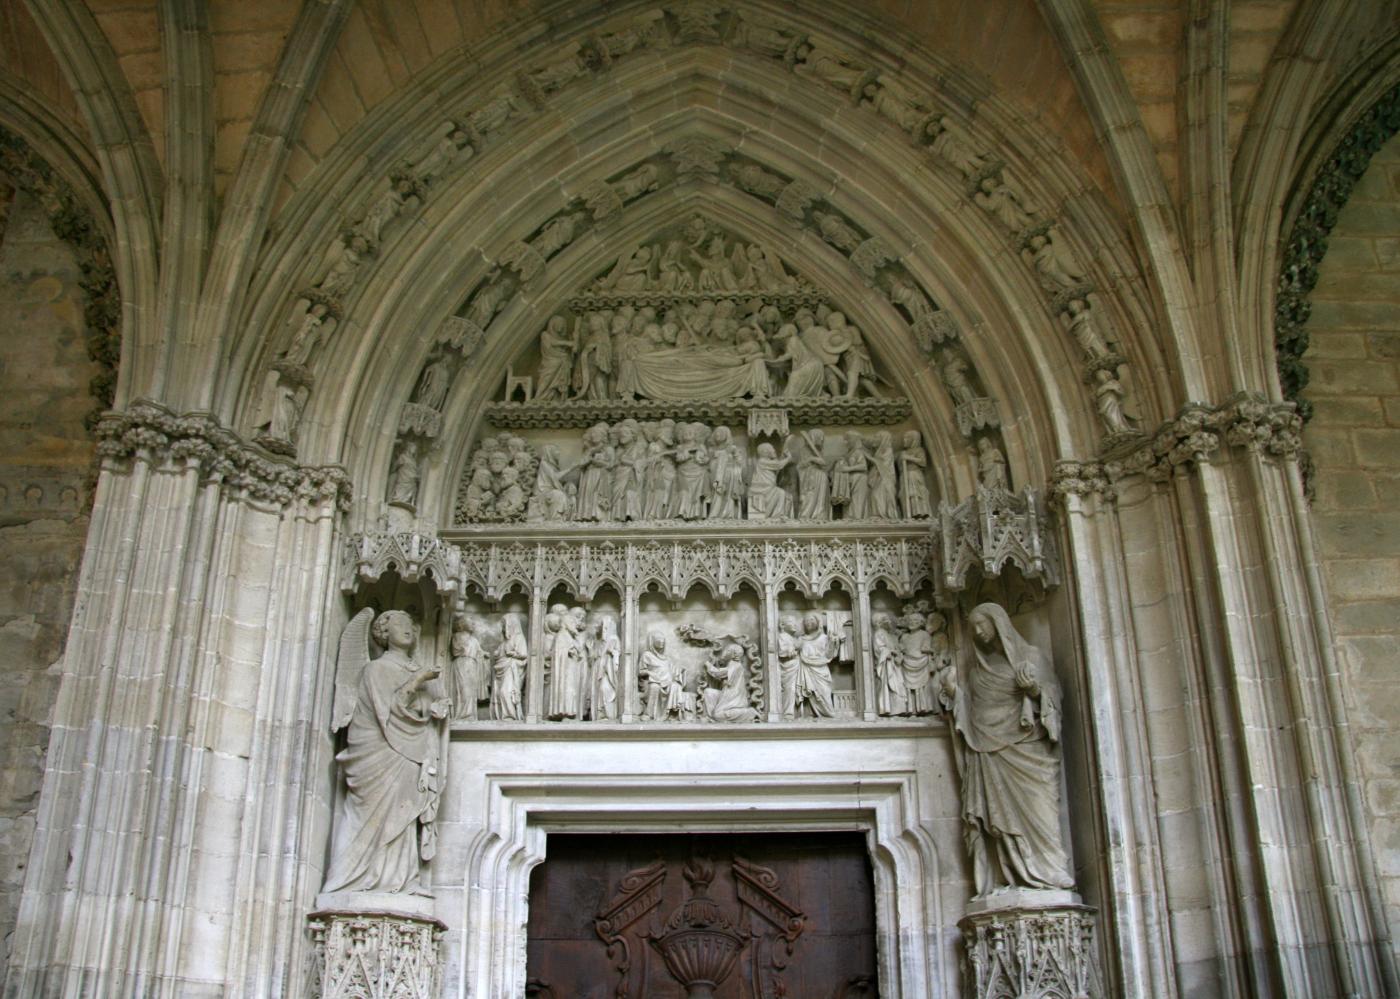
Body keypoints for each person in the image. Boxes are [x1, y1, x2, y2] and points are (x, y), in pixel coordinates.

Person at [941, 603, 1075, 894]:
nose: (977, 632)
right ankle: (1012, 876)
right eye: (973, 627)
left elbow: (1054, 702)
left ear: (999, 623)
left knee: (1040, 812)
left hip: (1029, 753)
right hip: (991, 756)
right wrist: (956, 695)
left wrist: (1034, 691)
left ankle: (1050, 873)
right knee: (999, 821)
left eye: (982, 624)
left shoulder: (1030, 660)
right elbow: (975, 722)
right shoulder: (978, 675)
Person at [324, 610, 449, 894]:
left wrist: (433, 709)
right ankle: (353, 880)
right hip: (379, 751)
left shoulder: (414, 670)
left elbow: (411, 711)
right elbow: (387, 712)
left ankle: (402, 879)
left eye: (411, 623)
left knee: (403, 816)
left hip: (407, 750)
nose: (408, 628)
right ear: (382, 631)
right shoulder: (376, 669)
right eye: (399, 623)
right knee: (373, 814)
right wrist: (418, 681)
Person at [794, 613, 836, 718]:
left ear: (818, 622)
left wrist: (832, 643)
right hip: (806, 669)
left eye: (811, 620)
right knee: (811, 693)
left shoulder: (825, 638)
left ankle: (829, 714)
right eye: (806, 621)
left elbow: (829, 655)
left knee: (825, 693)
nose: (809, 623)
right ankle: (811, 713)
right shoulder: (801, 639)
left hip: (821, 670)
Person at [702, 644, 758, 722]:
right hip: (727, 694)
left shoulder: (735, 665)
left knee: (718, 715)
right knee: (708, 692)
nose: (724, 652)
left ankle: (748, 713)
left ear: (734, 654)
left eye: (728, 650)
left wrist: (708, 665)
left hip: (734, 698)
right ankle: (711, 718)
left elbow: (718, 673)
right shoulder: (731, 665)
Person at [639, 630, 683, 720]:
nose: (661, 641)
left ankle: (672, 714)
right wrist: (650, 673)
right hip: (652, 682)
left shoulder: (667, 659)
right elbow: (640, 672)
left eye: (663, 639)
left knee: (676, 686)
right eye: (658, 639)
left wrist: (679, 672)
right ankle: (648, 714)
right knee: (654, 687)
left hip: (667, 683)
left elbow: (672, 672)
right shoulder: (647, 655)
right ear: (652, 641)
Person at [448, 615, 485, 721]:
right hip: (462, 663)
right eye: (471, 622)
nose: (473, 624)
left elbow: (479, 652)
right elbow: (455, 650)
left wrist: (483, 654)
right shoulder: (457, 636)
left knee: (472, 690)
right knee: (464, 689)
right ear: (462, 624)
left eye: (473, 623)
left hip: (472, 665)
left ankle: (470, 714)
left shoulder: (474, 640)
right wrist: (464, 649)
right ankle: (462, 715)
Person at [491, 615, 527, 721]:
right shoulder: (505, 641)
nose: (502, 627)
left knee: (505, 691)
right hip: (502, 669)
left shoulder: (519, 638)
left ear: (510, 624)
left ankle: (510, 715)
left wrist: (512, 654)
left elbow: (524, 654)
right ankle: (502, 715)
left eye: (504, 624)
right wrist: (497, 654)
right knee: (499, 693)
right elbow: (500, 653)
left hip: (511, 668)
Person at [589, 615, 621, 721]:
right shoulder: (600, 642)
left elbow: (618, 653)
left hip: (609, 670)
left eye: (602, 625)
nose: (599, 627)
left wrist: (612, 652)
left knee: (606, 689)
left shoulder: (614, 639)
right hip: (599, 669)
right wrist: (590, 649)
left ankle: (609, 715)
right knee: (599, 691)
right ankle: (600, 714)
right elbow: (596, 656)